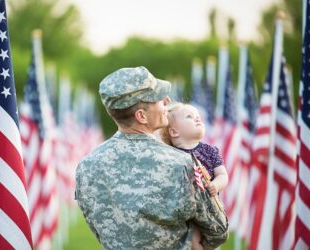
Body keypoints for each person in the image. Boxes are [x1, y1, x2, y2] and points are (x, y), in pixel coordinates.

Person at [75, 66, 228, 250]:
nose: (167, 101)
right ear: (141, 116)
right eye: (158, 98)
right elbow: (218, 230)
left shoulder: (86, 166)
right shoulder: (181, 163)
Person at [160, 102, 229, 250]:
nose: (197, 118)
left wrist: (216, 185)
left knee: (214, 236)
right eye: (189, 117)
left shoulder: (210, 151)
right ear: (174, 132)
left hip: (209, 208)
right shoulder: (171, 155)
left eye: (198, 116)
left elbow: (223, 175)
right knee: (194, 237)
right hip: (185, 212)